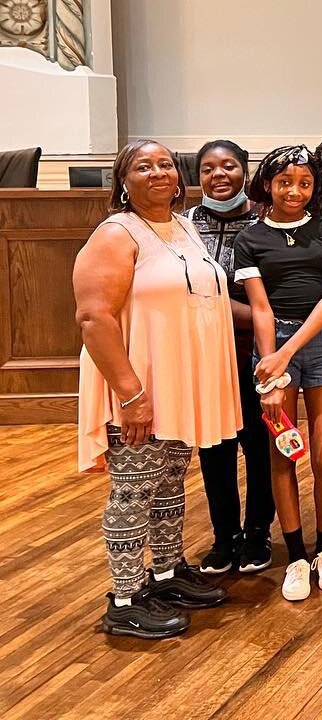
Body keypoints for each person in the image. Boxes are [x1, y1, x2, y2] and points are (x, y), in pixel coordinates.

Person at [76, 140, 237, 638]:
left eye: (165, 164)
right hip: (138, 383)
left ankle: (166, 573)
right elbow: (93, 317)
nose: (158, 173)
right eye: (143, 167)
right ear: (123, 181)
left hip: (179, 381)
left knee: (168, 483)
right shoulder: (116, 233)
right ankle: (124, 598)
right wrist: (130, 393)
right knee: (133, 491)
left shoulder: (183, 224)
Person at [233, 145, 322, 602]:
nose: (295, 191)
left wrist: (288, 353)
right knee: (282, 452)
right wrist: (271, 367)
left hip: (321, 342)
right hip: (272, 348)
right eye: (285, 183)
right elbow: (260, 308)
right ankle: (296, 557)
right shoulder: (250, 238)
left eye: (304, 183)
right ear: (268, 184)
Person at [184, 140, 274, 575]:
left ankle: (258, 532)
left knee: (260, 447)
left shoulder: (266, 219)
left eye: (229, 166)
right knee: (214, 449)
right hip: (206, 355)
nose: (218, 175)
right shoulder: (182, 226)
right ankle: (224, 537)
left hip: (259, 354)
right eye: (207, 168)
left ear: (245, 171)